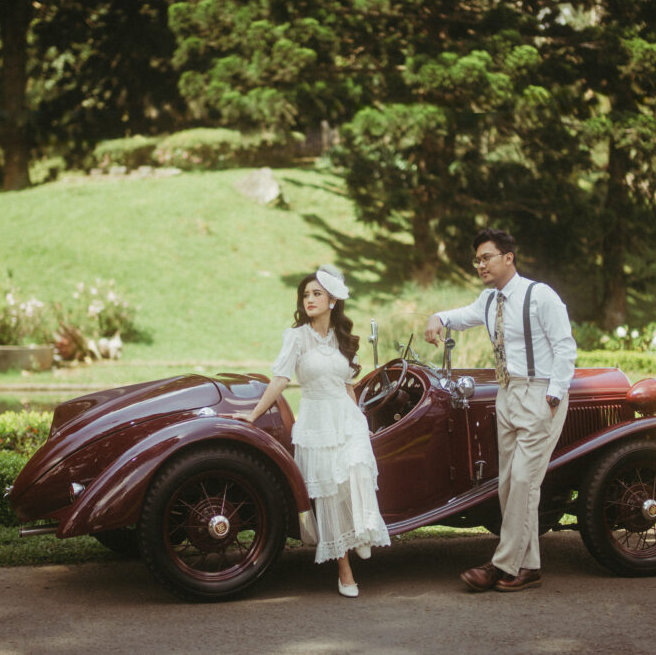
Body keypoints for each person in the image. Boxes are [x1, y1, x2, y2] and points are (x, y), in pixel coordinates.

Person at [424, 228, 576, 592]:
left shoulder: (540, 295)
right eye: (477, 260)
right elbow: (462, 316)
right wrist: (438, 317)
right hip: (507, 394)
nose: (481, 265)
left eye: (486, 257)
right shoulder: (489, 300)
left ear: (508, 257)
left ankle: (501, 564)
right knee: (510, 485)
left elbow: (565, 347)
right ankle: (530, 568)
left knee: (524, 480)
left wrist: (553, 396)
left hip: (539, 393)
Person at [241, 265, 390, 598]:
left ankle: (362, 531)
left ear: (332, 301)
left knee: (357, 469)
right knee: (330, 494)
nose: (309, 299)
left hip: (346, 417)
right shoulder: (296, 337)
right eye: (306, 294)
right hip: (316, 422)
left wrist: (360, 420)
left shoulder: (342, 338)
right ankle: (345, 571)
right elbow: (280, 379)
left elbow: (348, 386)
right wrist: (253, 415)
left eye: (317, 294)